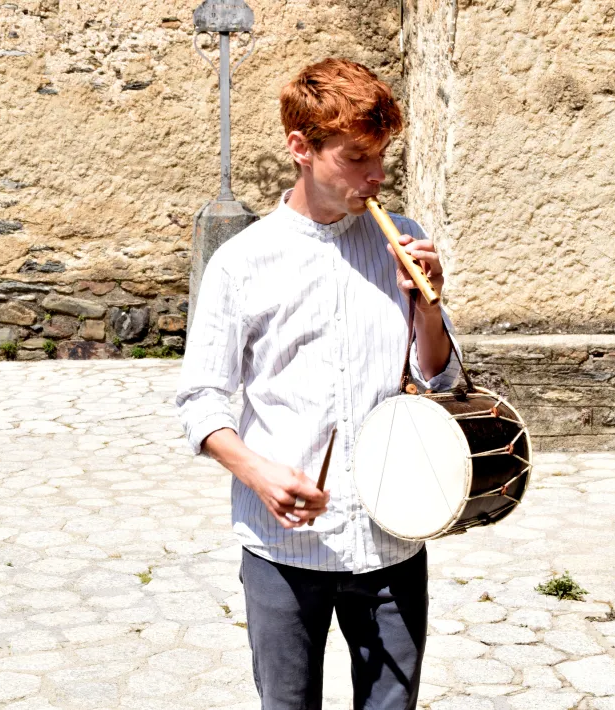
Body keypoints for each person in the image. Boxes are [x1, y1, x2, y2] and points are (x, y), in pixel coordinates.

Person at [175, 58, 463, 710]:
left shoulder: (407, 239)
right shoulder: (242, 263)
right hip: (284, 548)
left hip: (392, 535)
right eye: (357, 157)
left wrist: (427, 306)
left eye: (382, 155)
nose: (377, 176)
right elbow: (200, 398)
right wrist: (258, 474)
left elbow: (441, 378)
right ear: (300, 148)